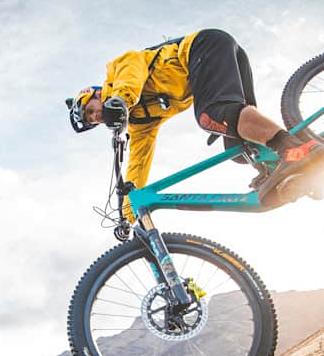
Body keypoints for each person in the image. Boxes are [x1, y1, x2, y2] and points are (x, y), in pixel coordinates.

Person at [66, 29, 324, 219]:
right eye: (92, 121)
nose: (96, 118)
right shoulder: (140, 120)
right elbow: (138, 163)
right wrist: (129, 214)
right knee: (239, 149)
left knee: (212, 115)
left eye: (91, 111)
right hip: (219, 54)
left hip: (203, 47)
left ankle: (292, 149)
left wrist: (121, 100)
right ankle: (293, 172)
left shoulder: (118, 70)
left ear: (97, 94)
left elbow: (131, 76)